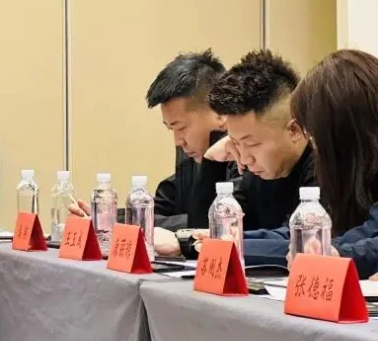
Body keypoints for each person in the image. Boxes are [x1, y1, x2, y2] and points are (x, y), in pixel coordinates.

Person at [247, 50, 378, 277]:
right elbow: (304, 236)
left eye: (316, 136)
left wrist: (335, 253)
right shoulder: (347, 173)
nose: (314, 147)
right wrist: (223, 240)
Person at [190, 50, 315, 231]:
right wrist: (211, 161)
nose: (245, 159)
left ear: (294, 130)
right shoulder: (254, 173)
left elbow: (297, 238)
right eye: (235, 143)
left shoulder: (325, 169)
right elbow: (206, 233)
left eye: (251, 144)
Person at [140, 49, 232, 230]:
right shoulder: (190, 162)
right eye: (171, 129)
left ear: (221, 113)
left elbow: (218, 225)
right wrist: (104, 215)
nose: (178, 141)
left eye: (181, 128)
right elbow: (155, 212)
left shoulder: (249, 163)